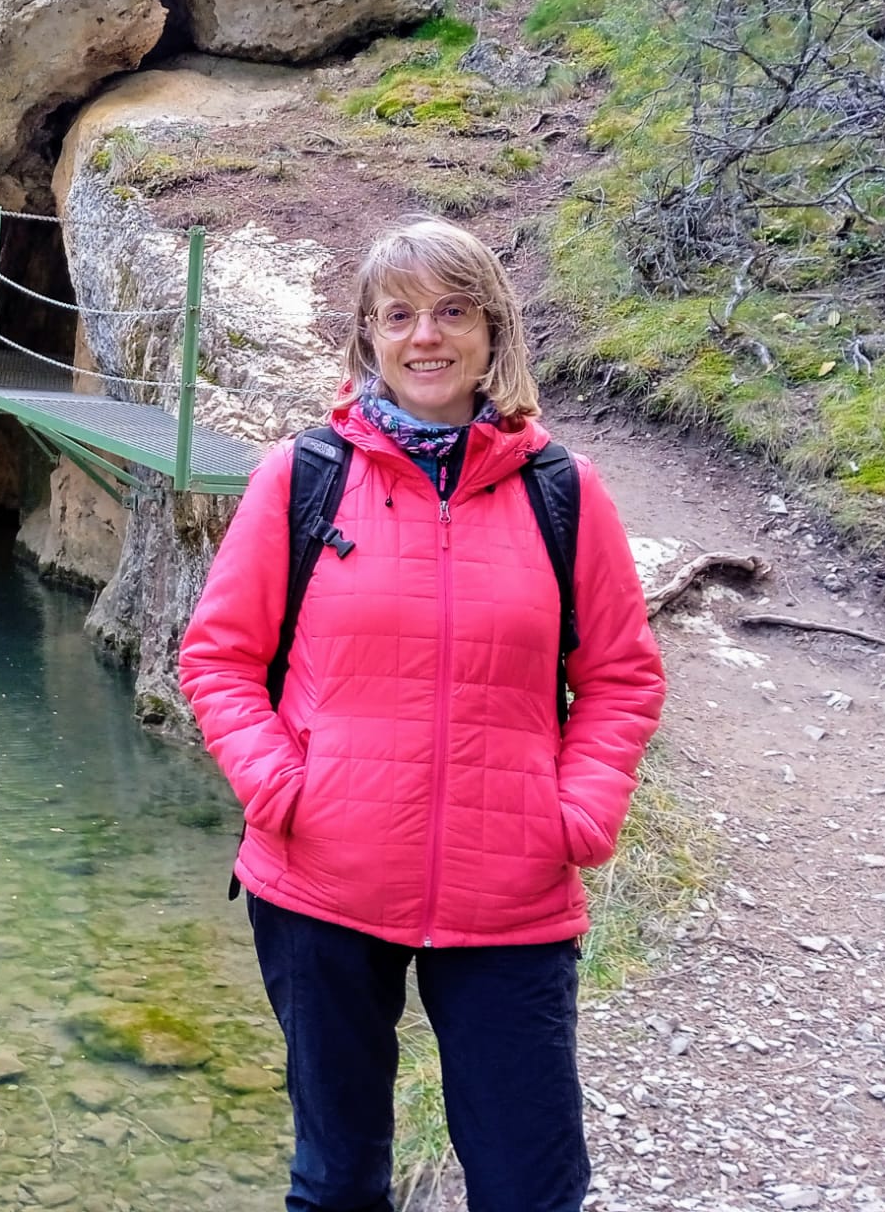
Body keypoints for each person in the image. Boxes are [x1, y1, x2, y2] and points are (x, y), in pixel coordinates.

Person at [179, 217, 664, 1212]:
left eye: (451, 311)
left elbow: (620, 677)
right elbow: (218, 658)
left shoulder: (563, 494)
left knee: (531, 1188)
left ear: (492, 331)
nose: (425, 336)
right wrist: (280, 788)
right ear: (368, 336)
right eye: (397, 315)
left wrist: (577, 814)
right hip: (320, 884)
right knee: (336, 1183)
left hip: (509, 894)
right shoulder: (303, 477)